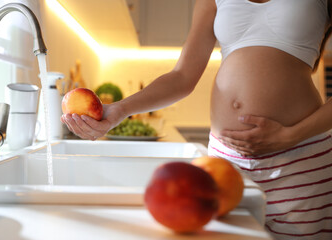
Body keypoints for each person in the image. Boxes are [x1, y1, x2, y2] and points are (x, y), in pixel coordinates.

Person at [61, 0, 332, 239]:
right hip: (227, 162)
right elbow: (182, 76)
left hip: (300, 157)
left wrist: (289, 136)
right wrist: (120, 109)